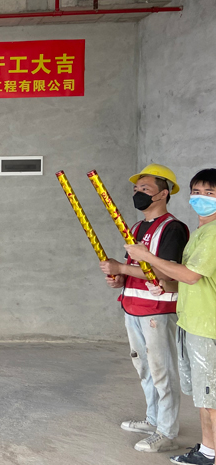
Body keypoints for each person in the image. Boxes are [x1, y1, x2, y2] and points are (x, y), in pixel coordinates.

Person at [126, 168, 216, 465]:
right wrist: (165, 284)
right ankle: (206, 449)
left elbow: (188, 276)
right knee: (203, 396)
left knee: (206, 395)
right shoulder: (201, 232)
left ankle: (200, 448)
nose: (201, 198)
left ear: (164, 194)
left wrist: (144, 260)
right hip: (189, 320)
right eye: (197, 192)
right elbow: (185, 280)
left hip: (201, 322)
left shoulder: (199, 232)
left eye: (210, 193)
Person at [99, 164, 189, 453]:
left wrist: (122, 267)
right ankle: (153, 420)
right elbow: (135, 269)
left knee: (162, 371)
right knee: (144, 368)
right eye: (136, 189)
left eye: (145, 189)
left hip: (157, 311)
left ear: (163, 194)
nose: (138, 193)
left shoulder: (172, 228)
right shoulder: (136, 228)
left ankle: (167, 432)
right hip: (132, 307)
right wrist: (119, 278)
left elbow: (165, 272)